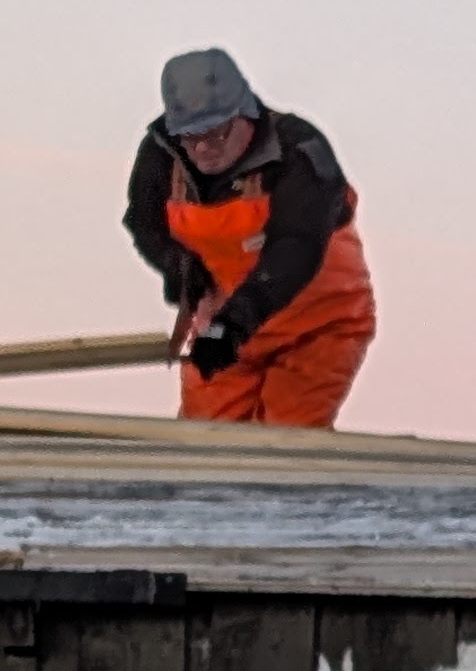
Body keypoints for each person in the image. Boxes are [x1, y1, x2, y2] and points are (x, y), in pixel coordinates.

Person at [123, 49, 377, 427]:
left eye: (215, 133)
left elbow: (295, 249)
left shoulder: (299, 151)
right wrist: (186, 278)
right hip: (226, 331)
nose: (203, 148)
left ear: (245, 115)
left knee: (282, 443)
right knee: (200, 444)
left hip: (315, 330)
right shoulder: (162, 153)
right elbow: (145, 225)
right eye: (190, 137)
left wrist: (233, 325)